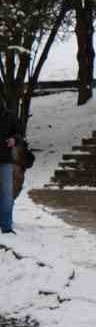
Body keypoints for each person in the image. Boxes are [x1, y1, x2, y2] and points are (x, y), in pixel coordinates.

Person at [0, 100, 21, 235]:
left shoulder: (9, 115)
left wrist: (14, 139)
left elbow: (19, 133)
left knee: (7, 193)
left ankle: (6, 226)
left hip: (5, 160)